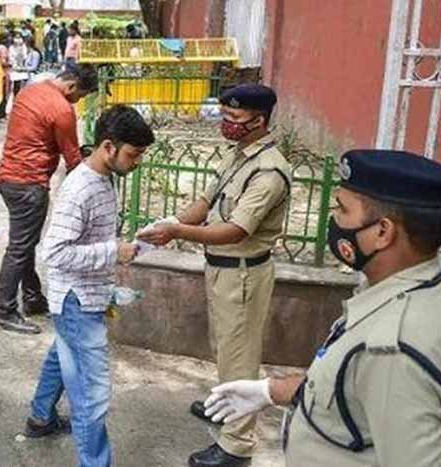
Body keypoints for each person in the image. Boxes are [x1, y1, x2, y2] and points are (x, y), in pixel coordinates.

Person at [202, 150, 441, 467]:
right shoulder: (429, 299)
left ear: (382, 232)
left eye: (342, 209)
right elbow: (354, 385)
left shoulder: (393, 349)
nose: (333, 217)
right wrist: (272, 391)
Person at [137, 84, 291, 467]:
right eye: (224, 115)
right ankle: (225, 406)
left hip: (243, 275)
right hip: (222, 270)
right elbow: (206, 203)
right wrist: (169, 223)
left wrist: (178, 232)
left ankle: (236, 447)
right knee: (224, 348)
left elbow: (236, 231)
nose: (227, 124)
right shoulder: (238, 156)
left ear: (259, 120)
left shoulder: (268, 172)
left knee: (239, 357)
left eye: (235, 118)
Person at [26, 105, 153, 467]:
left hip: (84, 297)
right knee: (91, 395)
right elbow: (55, 252)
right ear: (108, 147)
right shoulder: (80, 188)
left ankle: (40, 417)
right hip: (76, 301)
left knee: (63, 354)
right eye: (133, 154)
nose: (137, 162)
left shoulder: (104, 178)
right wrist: (113, 251)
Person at [0, 64, 99, 334]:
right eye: (80, 95)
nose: (78, 101)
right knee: (20, 247)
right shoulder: (62, 109)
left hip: (7, 179)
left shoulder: (30, 91)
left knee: (25, 242)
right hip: (29, 184)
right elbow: (72, 159)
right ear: (72, 86)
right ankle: (5, 311)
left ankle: (32, 297)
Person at [0, 33, 11, 120]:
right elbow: (3, 62)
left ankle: (0, 112)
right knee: (4, 94)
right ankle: (1, 113)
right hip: (4, 73)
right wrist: (11, 64)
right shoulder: (3, 49)